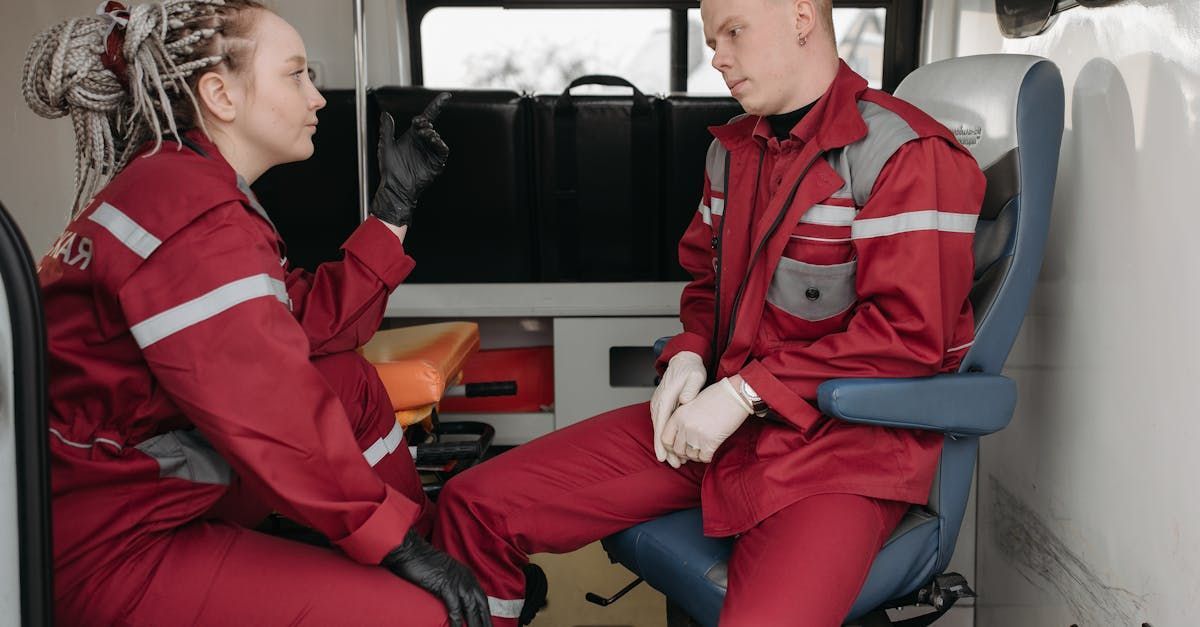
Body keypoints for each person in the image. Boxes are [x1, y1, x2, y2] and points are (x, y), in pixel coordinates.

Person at [431, 0, 986, 624]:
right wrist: (692, 352)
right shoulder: (732, 151)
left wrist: (746, 393)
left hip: (839, 456)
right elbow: (707, 281)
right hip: (722, 431)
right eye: (711, 37)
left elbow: (908, 337)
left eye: (734, 32)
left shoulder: (906, 155)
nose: (717, 56)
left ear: (802, 16)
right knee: (473, 505)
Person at [24, 1, 490, 625]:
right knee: (419, 618)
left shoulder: (177, 185)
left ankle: (426, 554)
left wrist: (393, 207)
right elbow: (272, 408)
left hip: (120, 492)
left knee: (348, 381)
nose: (317, 97)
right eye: (296, 75)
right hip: (111, 540)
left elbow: (307, 326)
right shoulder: (192, 218)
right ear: (220, 94)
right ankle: (424, 579)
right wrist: (392, 544)